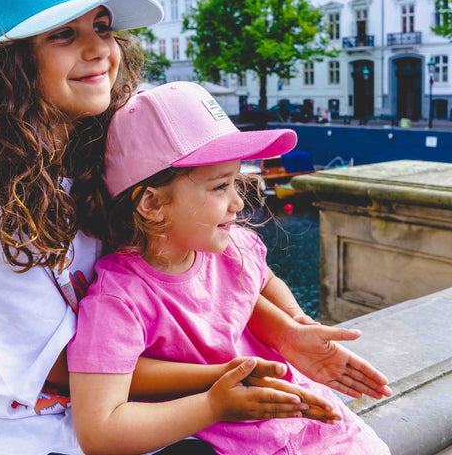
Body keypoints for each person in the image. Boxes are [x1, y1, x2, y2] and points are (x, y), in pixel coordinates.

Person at [0, 0, 325, 455]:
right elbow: (64, 368)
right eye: (64, 35)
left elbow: (213, 261)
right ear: (7, 67)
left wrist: (288, 331)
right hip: (21, 433)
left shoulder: (115, 141)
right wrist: (233, 374)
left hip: (143, 415)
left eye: (102, 27)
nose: (99, 50)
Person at [67, 81, 392, 455]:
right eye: (220, 186)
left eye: (236, 181)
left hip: (317, 428)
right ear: (153, 204)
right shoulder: (120, 300)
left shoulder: (233, 248)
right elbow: (98, 430)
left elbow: (265, 281)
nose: (239, 202)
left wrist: (296, 322)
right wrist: (212, 406)